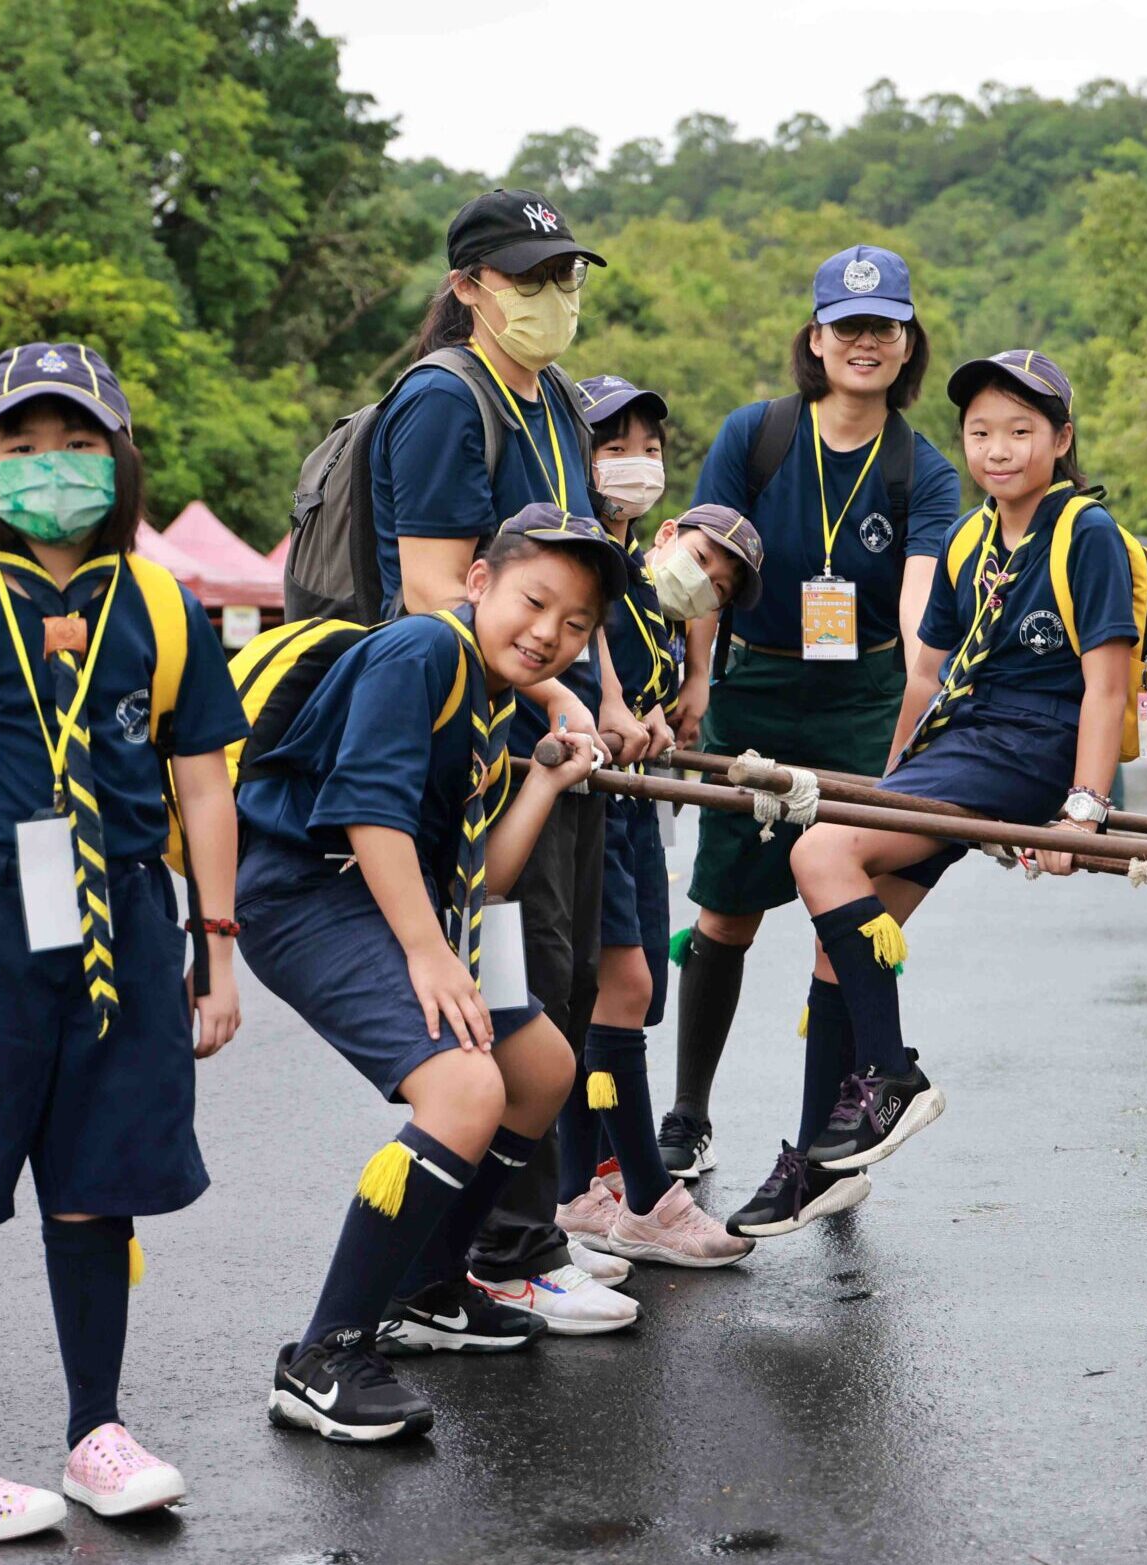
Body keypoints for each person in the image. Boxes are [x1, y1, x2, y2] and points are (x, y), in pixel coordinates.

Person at [0, 344, 248, 1541]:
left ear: (118, 457)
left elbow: (206, 788)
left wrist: (213, 950)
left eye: (75, 443)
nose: (48, 468)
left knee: (98, 1187)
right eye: (18, 447)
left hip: (122, 917)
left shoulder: (165, 604)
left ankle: (97, 1432)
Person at [235, 505, 626, 1440]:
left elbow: (481, 873)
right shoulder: (420, 651)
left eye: (576, 626)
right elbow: (369, 814)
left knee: (541, 1070)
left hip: (397, 898)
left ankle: (425, 1289)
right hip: (308, 894)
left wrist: (543, 779)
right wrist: (427, 952)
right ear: (481, 582)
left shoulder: (486, 695)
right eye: (536, 602)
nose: (550, 634)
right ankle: (324, 1353)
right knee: (462, 1086)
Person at [729, 348, 1133, 1236]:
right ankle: (819, 1159)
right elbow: (928, 673)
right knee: (843, 933)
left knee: (819, 851)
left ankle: (890, 1073)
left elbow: (1108, 684)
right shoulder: (970, 536)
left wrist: (1084, 807)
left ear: (1061, 441)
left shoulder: (1084, 534)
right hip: (959, 743)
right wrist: (890, 782)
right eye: (981, 431)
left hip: (1029, 746)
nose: (998, 448)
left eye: (1022, 430)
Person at [367, 188, 647, 1330]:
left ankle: (507, 1238)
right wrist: (549, 692)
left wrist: (611, 695)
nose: (552, 299)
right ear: (470, 288)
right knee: (516, 990)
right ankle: (503, 1246)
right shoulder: (446, 400)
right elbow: (438, 589)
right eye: (529, 278)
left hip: (556, 722)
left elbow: (582, 583)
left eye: (565, 278)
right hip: (481, 730)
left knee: (567, 977)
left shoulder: (560, 406)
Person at [664, 245, 963, 1186]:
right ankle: (689, 1112)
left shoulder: (924, 468)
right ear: (817, 337)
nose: (866, 343)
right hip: (754, 687)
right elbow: (706, 572)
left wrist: (916, 715)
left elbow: (923, 608)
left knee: (845, 915)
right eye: (848, 327)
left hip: (865, 700)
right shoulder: (756, 435)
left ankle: (830, 1142)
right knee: (727, 915)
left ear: (907, 341)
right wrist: (698, 683)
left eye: (885, 328)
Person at [541, 376, 762, 1276]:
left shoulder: (647, 584)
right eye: (614, 443)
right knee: (615, 992)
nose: (635, 463)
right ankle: (643, 1196)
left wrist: (681, 693)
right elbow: (591, 653)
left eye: (651, 449)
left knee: (609, 995)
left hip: (625, 798)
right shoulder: (577, 556)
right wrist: (615, 702)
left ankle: (582, 1188)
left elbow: (661, 648)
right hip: (576, 795)